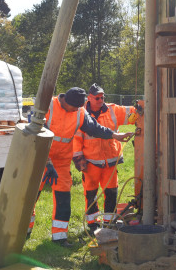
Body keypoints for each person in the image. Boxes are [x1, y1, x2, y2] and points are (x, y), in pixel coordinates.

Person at [27, 87, 132, 247]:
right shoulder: (49, 106)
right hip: (40, 157)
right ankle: (23, 230)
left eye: (78, 108)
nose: (76, 110)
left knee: (63, 199)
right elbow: (36, 133)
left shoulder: (79, 112)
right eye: (74, 107)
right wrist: (47, 162)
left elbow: (94, 128)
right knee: (30, 196)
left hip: (61, 161)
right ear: (65, 101)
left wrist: (114, 135)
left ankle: (59, 237)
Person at [73, 84, 139, 232]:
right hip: (90, 163)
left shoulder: (113, 110)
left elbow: (133, 113)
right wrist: (79, 160)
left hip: (110, 161)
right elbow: (76, 139)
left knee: (111, 193)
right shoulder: (81, 114)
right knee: (91, 195)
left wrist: (141, 108)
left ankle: (109, 224)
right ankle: (92, 225)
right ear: (89, 98)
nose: (101, 100)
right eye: (97, 97)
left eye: (102, 97)